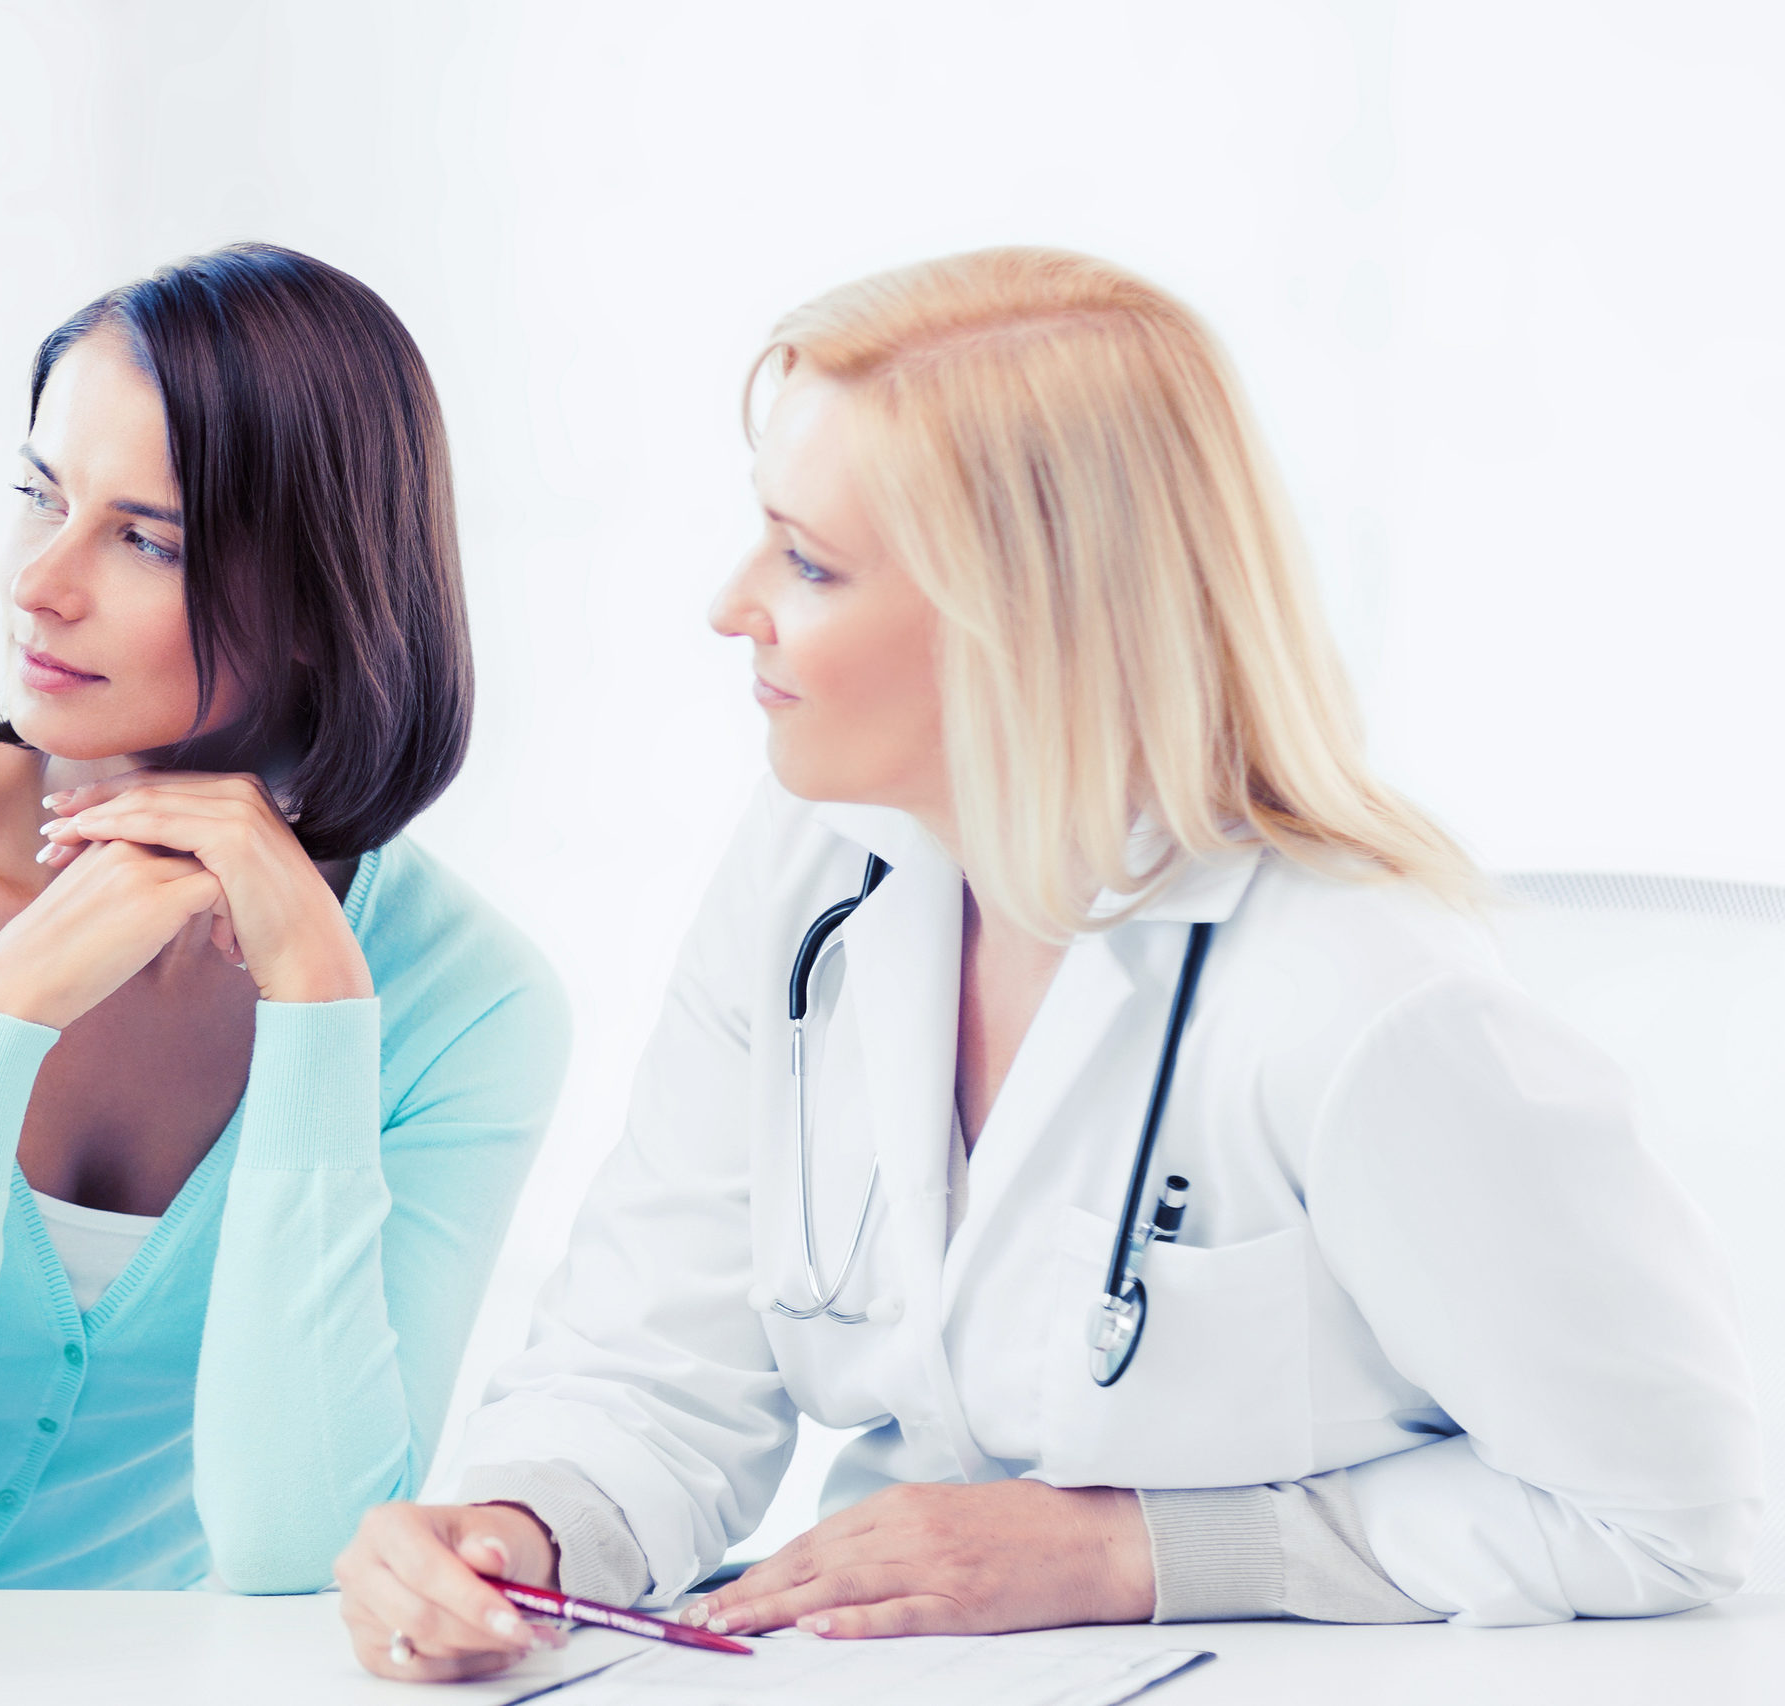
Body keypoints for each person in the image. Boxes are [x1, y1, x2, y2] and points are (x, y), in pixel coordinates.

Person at [334, 247, 1761, 1679]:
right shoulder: (814, 861)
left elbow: (1668, 1515)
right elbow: (651, 1367)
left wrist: (1135, 1551)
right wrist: (518, 1531)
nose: (730, 603)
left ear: (1022, 616)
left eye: (809, 562)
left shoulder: (1357, 993)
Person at [0, 245, 569, 1595]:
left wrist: (320, 1010)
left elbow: (300, 1549)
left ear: (321, 606)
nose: (39, 583)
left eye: (146, 540)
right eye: (39, 496)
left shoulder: (467, 1002)